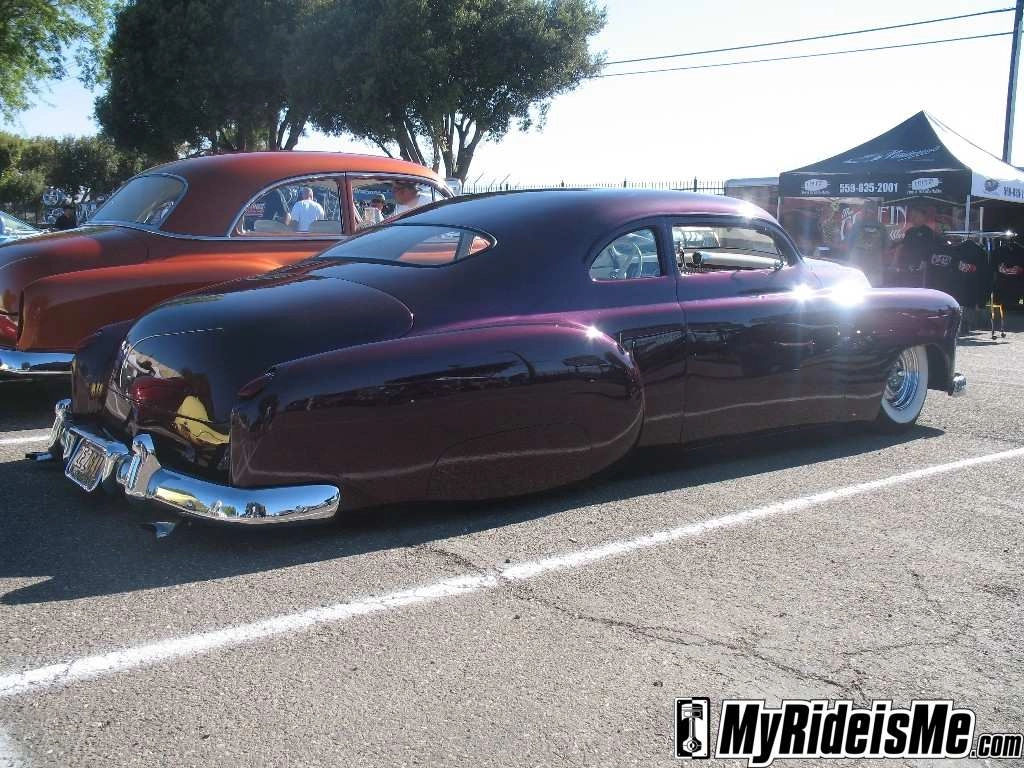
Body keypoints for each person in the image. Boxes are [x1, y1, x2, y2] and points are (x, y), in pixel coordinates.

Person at [845, 200, 887, 286]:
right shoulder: (881, 227)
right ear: (875, 212)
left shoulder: (857, 226)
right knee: (875, 290)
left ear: (864, 211)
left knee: (856, 288)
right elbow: (886, 246)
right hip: (874, 266)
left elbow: (849, 244)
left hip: (857, 267)